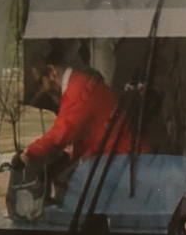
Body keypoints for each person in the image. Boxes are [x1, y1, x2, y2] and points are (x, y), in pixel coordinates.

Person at [21, 39, 132, 168]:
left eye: (40, 83)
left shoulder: (77, 91)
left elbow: (60, 134)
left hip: (121, 165)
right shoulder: (78, 83)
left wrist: (28, 154)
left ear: (51, 72)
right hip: (114, 163)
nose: (42, 90)